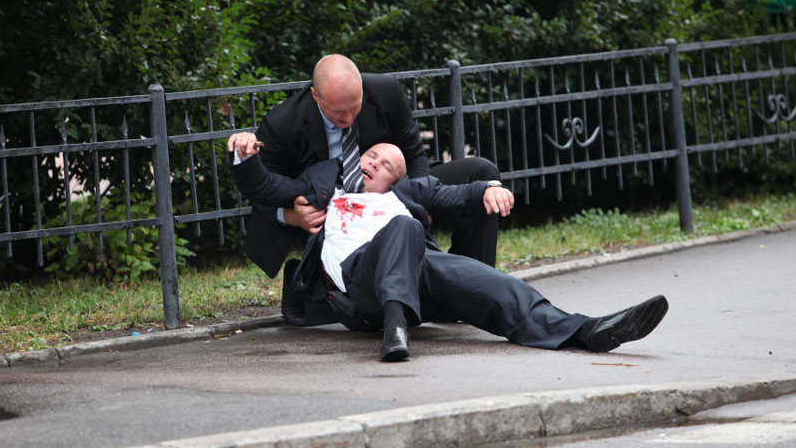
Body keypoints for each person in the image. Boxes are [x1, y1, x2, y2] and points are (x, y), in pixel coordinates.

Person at [228, 132, 669, 362]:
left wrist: (489, 189)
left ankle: (586, 331)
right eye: (371, 156)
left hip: (420, 270)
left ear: (396, 179)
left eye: (386, 164)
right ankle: (395, 329)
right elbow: (265, 187)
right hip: (359, 286)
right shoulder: (326, 188)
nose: (374, 163)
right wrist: (245, 157)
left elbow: (455, 195)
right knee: (403, 229)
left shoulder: (406, 195)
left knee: (497, 285)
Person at [244, 54, 501, 327]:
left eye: (354, 107)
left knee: (482, 173)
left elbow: (414, 154)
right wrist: (291, 216)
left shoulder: (386, 92)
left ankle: (469, 292)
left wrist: (419, 200)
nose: (348, 118)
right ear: (315, 96)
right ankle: (308, 286)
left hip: (388, 191)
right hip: (328, 206)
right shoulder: (282, 123)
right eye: (338, 112)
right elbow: (261, 190)